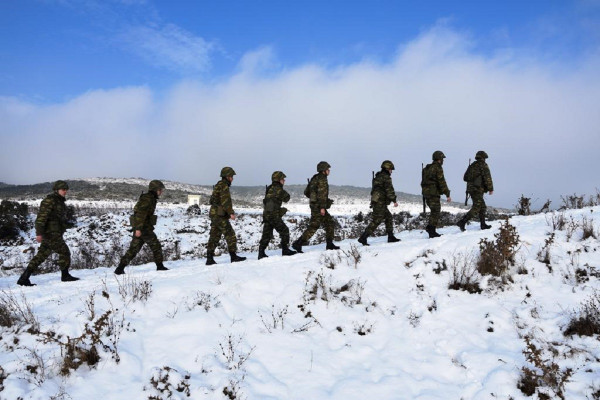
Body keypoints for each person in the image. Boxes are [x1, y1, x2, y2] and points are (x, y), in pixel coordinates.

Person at [17, 180, 79, 286]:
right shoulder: (50, 200)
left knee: (41, 255)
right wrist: (39, 233)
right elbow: (41, 218)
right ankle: (65, 276)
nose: (65, 191)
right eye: (63, 189)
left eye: (66, 189)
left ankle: (24, 278)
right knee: (65, 252)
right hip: (51, 233)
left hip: (54, 232)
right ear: (56, 190)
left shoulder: (59, 201)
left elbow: (57, 218)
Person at [115, 180, 169, 274]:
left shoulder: (150, 198)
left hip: (143, 228)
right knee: (156, 246)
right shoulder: (148, 199)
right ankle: (160, 266)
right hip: (144, 229)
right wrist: (138, 229)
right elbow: (140, 214)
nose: (161, 192)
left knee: (133, 249)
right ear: (155, 189)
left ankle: (120, 268)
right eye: (160, 189)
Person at [292, 161, 340, 252]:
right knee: (315, 226)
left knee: (328, 223)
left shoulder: (315, 178)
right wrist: (322, 206)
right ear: (323, 170)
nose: (329, 171)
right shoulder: (322, 179)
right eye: (327, 169)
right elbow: (322, 194)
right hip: (318, 207)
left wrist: (316, 200)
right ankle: (298, 243)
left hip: (315, 206)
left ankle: (329, 244)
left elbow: (306, 192)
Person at [206, 167, 246, 265]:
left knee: (214, 236)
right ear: (227, 176)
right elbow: (226, 201)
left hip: (215, 214)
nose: (232, 178)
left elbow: (212, 200)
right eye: (231, 176)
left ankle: (209, 258)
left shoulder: (218, 185)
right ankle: (233, 256)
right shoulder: (223, 186)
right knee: (230, 234)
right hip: (219, 215)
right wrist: (231, 213)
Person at [358, 160, 401, 246]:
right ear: (387, 168)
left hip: (377, 201)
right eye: (390, 169)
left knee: (388, 217)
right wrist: (394, 200)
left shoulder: (378, 176)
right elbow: (389, 190)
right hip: (380, 202)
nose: (391, 171)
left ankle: (390, 237)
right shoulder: (386, 177)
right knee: (377, 220)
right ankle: (363, 237)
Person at [258, 171, 297, 259]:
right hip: (273, 215)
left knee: (266, 234)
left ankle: (261, 253)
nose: (284, 181)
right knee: (284, 230)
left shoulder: (269, 188)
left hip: (266, 215)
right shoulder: (278, 189)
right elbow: (287, 198)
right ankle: (285, 250)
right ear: (278, 180)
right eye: (283, 179)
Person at [457, 151, 494, 231]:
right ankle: (462, 222)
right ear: (483, 158)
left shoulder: (472, 165)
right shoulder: (483, 165)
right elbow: (487, 178)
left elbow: (465, 178)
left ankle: (483, 224)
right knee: (477, 206)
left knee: (482, 206)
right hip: (477, 189)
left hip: (471, 189)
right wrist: (490, 188)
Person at [421, 151, 452, 238]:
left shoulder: (426, 168)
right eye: (442, 159)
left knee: (434, 210)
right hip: (433, 193)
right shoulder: (437, 168)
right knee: (436, 211)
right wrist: (447, 194)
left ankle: (430, 228)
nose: (443, 161)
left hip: (426, 193)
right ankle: (431, 231)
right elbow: (441, 182)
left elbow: (423, 182)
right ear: (439, 159)